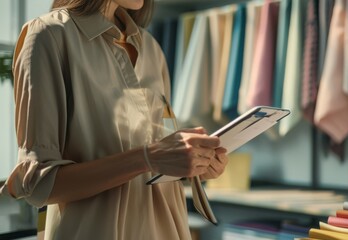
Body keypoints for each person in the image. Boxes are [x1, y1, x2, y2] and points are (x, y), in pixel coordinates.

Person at [0, 0, 229, 239]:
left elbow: (164, 146)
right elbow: (38, 184)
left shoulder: (152, 49)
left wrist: (196, 163)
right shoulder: (48, 36)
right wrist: (147, 158)